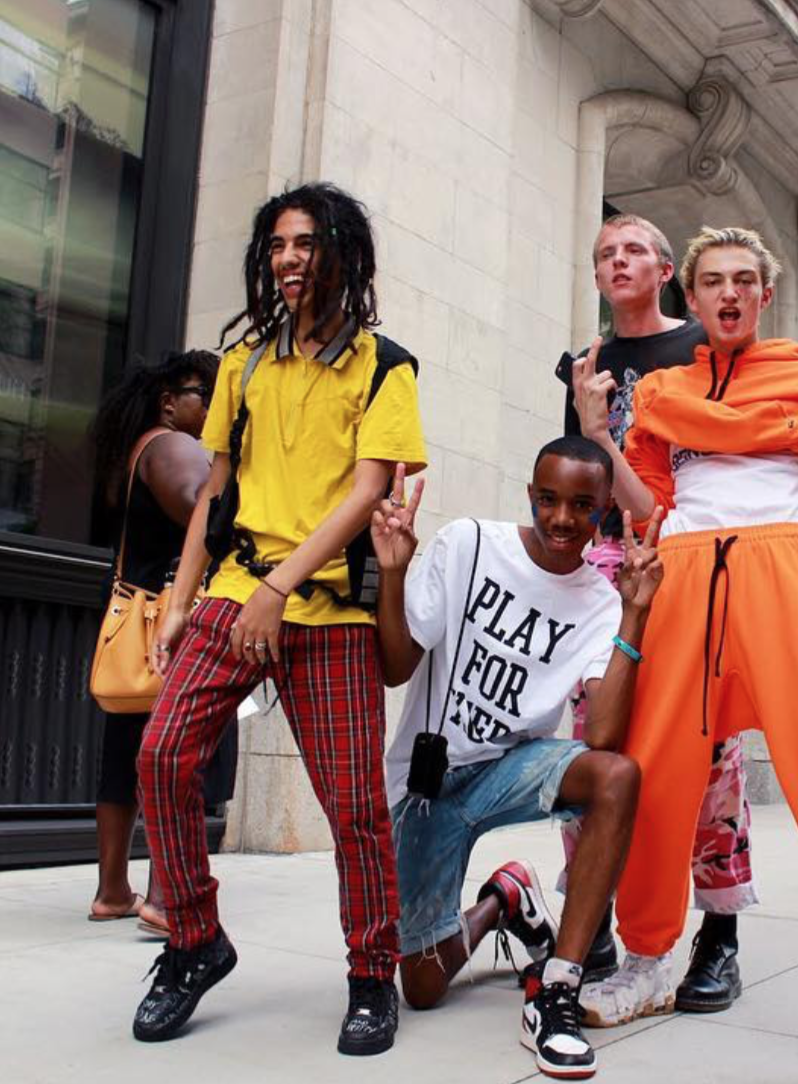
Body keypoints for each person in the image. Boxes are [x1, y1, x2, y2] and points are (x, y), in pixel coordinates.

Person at [572, 226, 798, 1084]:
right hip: (687, 576)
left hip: (783, 568)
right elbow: (646, 510)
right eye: (712, 282)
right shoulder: (662, 388)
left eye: (744, 280)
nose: (729, 293)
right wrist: (597, 437)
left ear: (763, 295)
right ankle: (652, 956)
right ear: (691, 300)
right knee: (657, 775)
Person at [131, 184, 427, 1052]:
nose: (289, 260)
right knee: (161, 756)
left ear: (343, 254)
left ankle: (372, 974)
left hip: (327, 610)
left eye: (305, 244)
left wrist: (280, 589)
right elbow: (215, 493)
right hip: (233, 589)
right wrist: (179, 606)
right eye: (277, 246)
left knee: (355, 809)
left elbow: (367, 491)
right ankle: (193, 941)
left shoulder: (386, 366)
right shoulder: (246, 365)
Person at [372, 439, 662, 1080]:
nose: (562, 518)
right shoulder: (469, 545)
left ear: (604, 510)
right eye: (550, 500)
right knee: (421, 987)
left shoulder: (600, 600)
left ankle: (559, 984)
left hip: (512, 767)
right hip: (429, 784)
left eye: (582, 506)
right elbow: (395, 669)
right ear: (530, 495)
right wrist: (392, 573)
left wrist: (635, 614)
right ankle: (504, 900)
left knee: (617, 776)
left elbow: (606, 737)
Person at [555, 213, 755, 1010]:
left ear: (667, 269)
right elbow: (577, 468)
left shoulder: (701, 348)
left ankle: (719, 936)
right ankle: (591, 917)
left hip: (691, 558)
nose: (618, 261)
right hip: (605, 565)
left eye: (634, 249)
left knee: (710, 751)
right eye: (605, 253)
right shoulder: (584, 363)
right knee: (587, 735)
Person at [86, 351, 237, 936]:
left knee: (125, 757)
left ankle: (113, 891)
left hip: (139, 628)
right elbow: (204, 507)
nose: (216, 405)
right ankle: (166, 897)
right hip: (173, 630)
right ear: (169, 402)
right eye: (207, 393)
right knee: (183, 755)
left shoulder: (142, 448)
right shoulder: (174, 446)